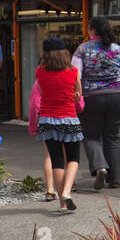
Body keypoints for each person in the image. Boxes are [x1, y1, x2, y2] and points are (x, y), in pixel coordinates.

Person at [73, 16, 120, 190]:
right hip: (117, 96)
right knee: (112, 137)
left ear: (92, 30)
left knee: (91, 136)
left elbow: (75, 75)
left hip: (92, 97)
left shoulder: (82, 49)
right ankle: (115, 179)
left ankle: (100, 167)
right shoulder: (119, 50)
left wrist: (78, 96)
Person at [33, 37, 82, 213]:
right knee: (73, 158)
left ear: (45, 54)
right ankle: (67, 191)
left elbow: (41, 92)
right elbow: (78, 96)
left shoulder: (40, 72)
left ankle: (62, 202)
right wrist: (73, 95)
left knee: (56, 161)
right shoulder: (74, 72)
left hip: (47, 120)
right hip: (68, 118)